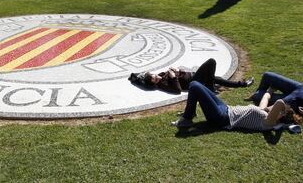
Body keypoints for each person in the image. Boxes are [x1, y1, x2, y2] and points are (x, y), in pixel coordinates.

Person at [171, 81, 302, 131]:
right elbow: (266, 97)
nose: (273, 107)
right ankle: (190, 114)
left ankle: (187, 119)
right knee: (199, 85)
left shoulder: (268, 123)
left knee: (194, 86)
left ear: (280, 115)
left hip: (221, 118)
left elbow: (279, 104)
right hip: (226, 108)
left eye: (279, 111)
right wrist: (271, 89)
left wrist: (285, 110)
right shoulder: (264, 112)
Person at [129, 58, 254, 94]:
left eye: (155, 75)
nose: (158, 77)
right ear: (155, 83)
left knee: (218, 79)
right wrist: (173, 77)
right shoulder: (162, 85)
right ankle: (210, 87)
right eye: (155, 79)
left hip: (194, 76)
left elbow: (179, 75)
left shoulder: (161, 75)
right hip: (194, 81)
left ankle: (243, 84)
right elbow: (177, 90)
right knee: (211, 62)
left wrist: (177, 71)